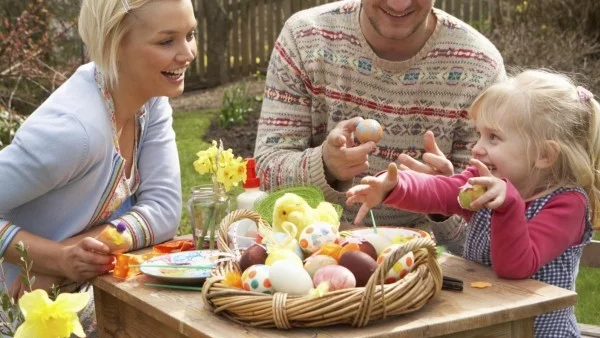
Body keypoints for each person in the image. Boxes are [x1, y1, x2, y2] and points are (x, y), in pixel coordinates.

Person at [346, 69, 599, 337]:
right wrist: (393, 186)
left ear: (544, 155)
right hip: (483, 324)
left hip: (537, 332)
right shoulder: (483, 181)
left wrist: (507, 206)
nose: (476, 148)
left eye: (494, 137)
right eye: (479, 134)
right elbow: (440, 191)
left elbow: (516, 267)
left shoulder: (568, 204)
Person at [0, 0, 196, 334]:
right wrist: (55, 259)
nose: (187, 53)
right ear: (114, 44)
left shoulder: (150, 100)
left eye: (190, 34)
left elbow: (164, 211)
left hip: (76, 300)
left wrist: (77, 253)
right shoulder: (74, 132)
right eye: (167, 41)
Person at [253, 0, 506, 254]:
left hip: (423, 265)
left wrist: (441, 200)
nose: (399, 5)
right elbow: (266, 173)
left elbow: (486, 236)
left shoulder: (479, 67)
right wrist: (325, 166)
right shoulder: (305, 37)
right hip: (310, 255)